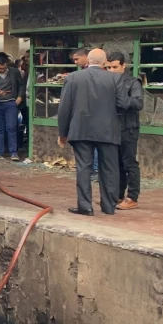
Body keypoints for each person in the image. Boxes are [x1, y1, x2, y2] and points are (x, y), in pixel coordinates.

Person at [57, 48, 128, 216]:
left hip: (81, 129)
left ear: (88, 61)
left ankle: (85, 206)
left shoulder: (73, 78)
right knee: (110, 169)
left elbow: (64, 108)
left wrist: (63, 133)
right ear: (104, 63)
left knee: (83, 168)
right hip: (108, 129)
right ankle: (109, 206)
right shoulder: (115, 79)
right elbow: (123, 104)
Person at [106, 50, 144, 211]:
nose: (112, 71)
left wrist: (122, 98)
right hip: (112, 127)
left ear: (123, 66)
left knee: (129, 163)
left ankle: (132, 197)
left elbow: (138, 103)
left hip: (128, 128)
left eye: (115, 67)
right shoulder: (107, 81)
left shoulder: (133, 82)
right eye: (108, 68)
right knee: (117, 164)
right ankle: (118, 195)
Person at [0, 53, 24, 161]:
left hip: (11, 103)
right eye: (0, 69)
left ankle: (13, 152)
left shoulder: (14, 72)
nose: (2, 70)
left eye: (4, 68)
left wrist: (19, 97)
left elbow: (21, 85)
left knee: (11, 127)